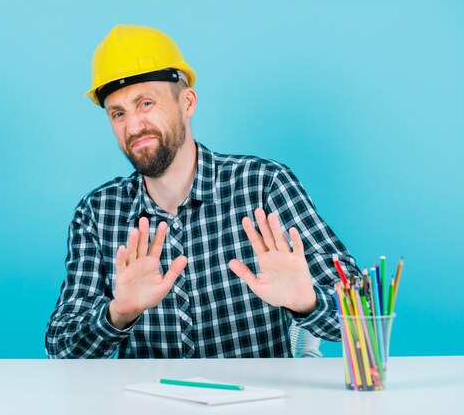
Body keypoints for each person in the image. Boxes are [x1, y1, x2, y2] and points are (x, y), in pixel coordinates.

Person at [45, 24, 359, 359]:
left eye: (146, 103)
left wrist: (307, 301)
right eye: (118, 113)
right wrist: (118, 314)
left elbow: (362, 317)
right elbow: (62, 352)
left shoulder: (263, 186)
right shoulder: (97, 213)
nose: (133, 126)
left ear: (187, 102)